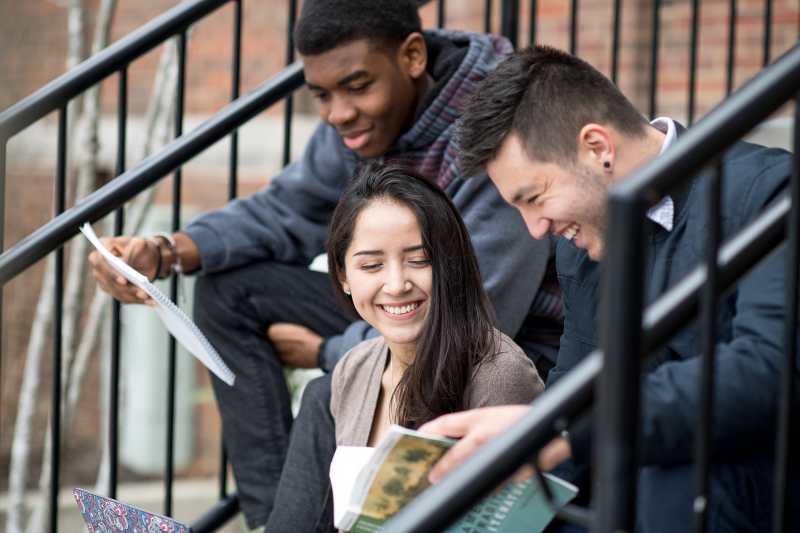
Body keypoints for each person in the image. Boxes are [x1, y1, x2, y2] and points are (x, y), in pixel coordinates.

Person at [87, 2, 561, 528]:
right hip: (402, 311)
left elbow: (476, 309)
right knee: (229, 290)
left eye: (357, 86)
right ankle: (276, 518)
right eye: (322, 95)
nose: (338, 113)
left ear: (411, 55)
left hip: (510, 335)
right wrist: (167, 251)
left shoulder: (495, 129)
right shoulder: (360, 127)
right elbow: (285, 209)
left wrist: (327, 351)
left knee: (330, 389)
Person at [418, 44, 800, 532]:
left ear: (598, 148)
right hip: (640, 493)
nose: (535, 228)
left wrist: (563, 432)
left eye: (535, 198)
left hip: (742, 486)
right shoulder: (581, 248)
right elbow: (576, 385)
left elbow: (767, 372)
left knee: (673, 468)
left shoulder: (768, 194)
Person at [327, 163, 544, 451]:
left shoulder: (500, 376)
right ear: (344, 277)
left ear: (450, 264)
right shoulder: (352, 369)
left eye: (418, 260)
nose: (396, 285)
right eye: (371, 265)